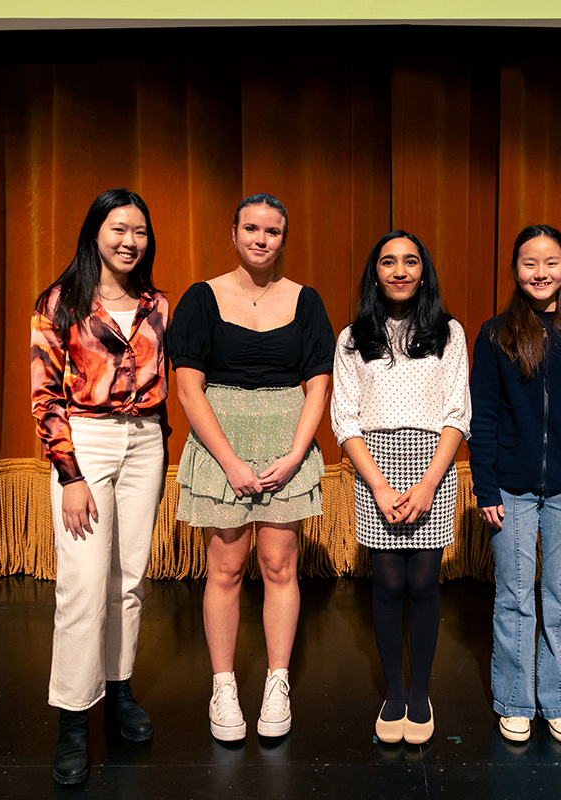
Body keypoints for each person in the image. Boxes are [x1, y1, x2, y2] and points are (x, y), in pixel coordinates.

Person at [168, 193, 334, 742]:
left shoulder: (306, 301)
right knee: (226, 568)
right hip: (223, 440)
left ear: (285, 238)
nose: (262, 239)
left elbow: (318, 385)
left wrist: (294, 454)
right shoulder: (201, 297)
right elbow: (189, 389)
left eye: (274, 231)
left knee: (280, 565)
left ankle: (277, 681)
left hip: (287, 440)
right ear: (233, 233)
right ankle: (222, 685)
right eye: (252, 229)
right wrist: (230, 461)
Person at [30, 189, 168, 785]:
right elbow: (44, 396)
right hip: (84, 441)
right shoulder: (59, 303)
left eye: (139, 231)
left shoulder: (158, 303)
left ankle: (119, 690)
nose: (129, 241)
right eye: (118, 229)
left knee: (128, 579)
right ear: (95, 233)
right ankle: (73, 719)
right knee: (83, 585)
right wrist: (70, 474)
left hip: (146, 442)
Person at [468, 224, 561, 745]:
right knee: (512, 595)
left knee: (560, 594)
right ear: (515, 271)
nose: (541, 273)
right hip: (510, 487)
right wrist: (485, 488)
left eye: (551, 262)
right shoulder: (493, 334)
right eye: (530, 263)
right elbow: (481, 416)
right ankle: (513, 701)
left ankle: (559, 701)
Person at [330, 231, 471, 745]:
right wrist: (381, 486)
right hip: (375, 469)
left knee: (423, 584)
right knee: (388, 584)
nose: (399, 270)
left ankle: (420, 693)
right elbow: (344, 419)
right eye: (388, 262)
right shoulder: (351, 337)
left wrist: (430, 482)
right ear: (375, 272)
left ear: (423, 270)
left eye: (410, 261)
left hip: (432, 465)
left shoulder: (448, 332)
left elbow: (458, 412)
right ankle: (393, 692)